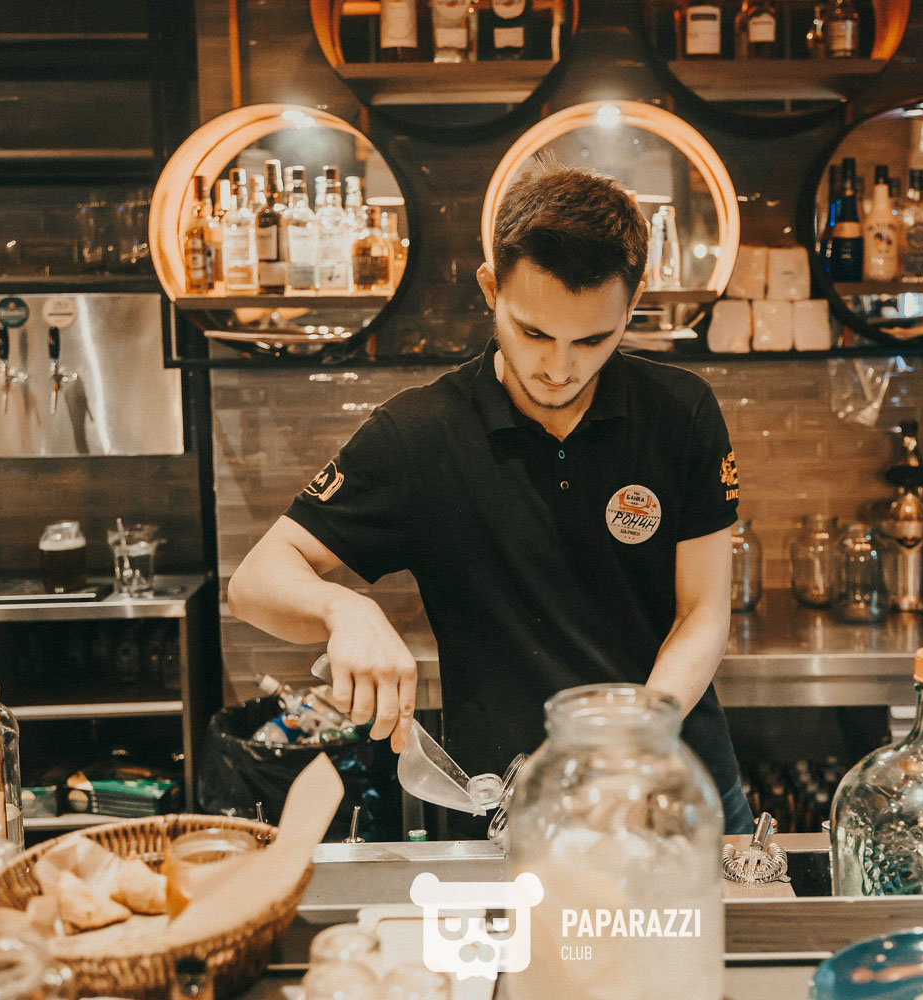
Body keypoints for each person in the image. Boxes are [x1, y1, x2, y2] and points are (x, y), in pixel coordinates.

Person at [227, 164, 753, 835]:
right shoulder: (420, 434)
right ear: (490, 289)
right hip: (509, 812)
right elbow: (254, 582)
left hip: (674, 788)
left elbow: (703, 613)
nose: (559, 368)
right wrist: (342, 609)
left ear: (633, 303)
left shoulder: (680, 414)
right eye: (534, 333)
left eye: (592, 340)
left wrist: (626, 749)